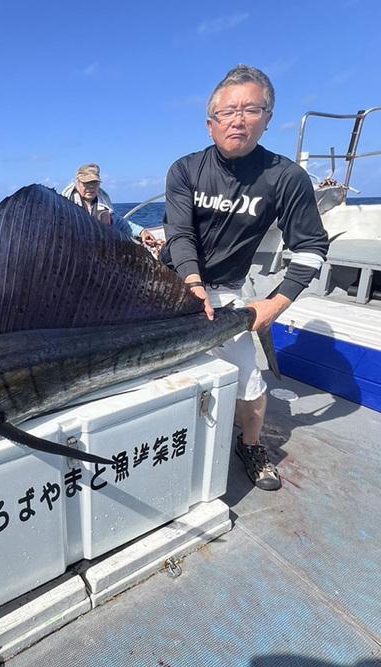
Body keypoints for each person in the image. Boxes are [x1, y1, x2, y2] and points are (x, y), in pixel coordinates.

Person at [160, 65, 329, 491]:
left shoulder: (285, 177)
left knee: (250, 383)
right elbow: (179, 234)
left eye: (251, 109)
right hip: (172, 282)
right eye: (228, 111)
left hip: (228, 294)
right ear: (210, 122)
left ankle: (250, 443)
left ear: (268, 119)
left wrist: (275, 303)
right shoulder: (185, 169)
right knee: (157, 375)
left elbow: (311, 247)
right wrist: (192, 283)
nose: (238, 119)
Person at [62, 163, 160, 252]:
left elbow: (121, 224)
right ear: (77, 183)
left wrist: (142, 232)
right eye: (86, 183)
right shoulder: (64, 206)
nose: (91, 187)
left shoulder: (103, 205)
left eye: (94, 183)